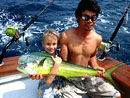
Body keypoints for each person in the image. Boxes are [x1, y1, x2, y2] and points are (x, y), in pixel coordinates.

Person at [60, 0, 121, 98]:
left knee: (116, 95)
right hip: (70, 79)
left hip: (88, 76)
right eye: (85, 17)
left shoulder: (97, 38)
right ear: (77, 17)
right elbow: (63, 64)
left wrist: (95, 67)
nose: (90, 21)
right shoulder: (66, 36)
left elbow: (92, 55)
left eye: (93, 18)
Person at [29, 29, 62, 98]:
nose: (51, 47)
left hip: (58, 84)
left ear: (57, 43)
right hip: (45, 85)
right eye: (48, 44)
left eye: (54, 44)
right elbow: (48, 81)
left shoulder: (60, 54)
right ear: (43, 44)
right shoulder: (40, 58)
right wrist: (56, 64)